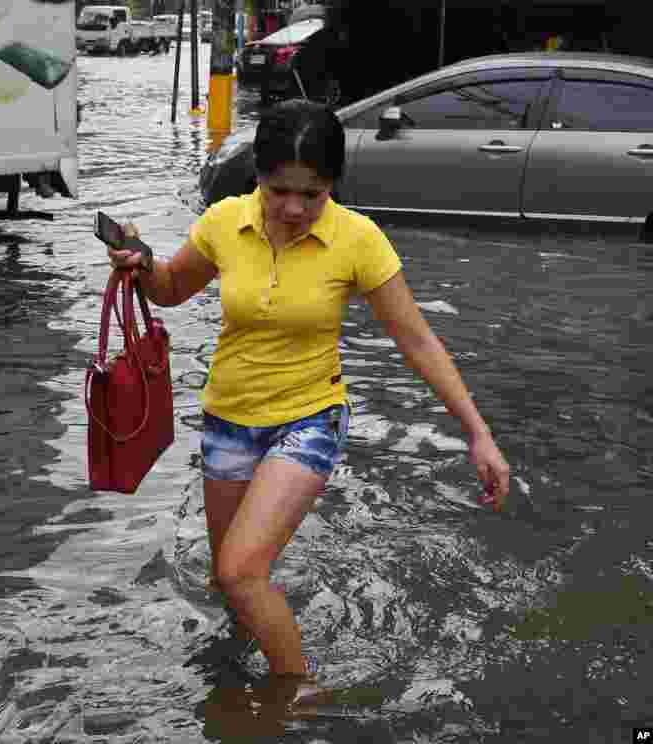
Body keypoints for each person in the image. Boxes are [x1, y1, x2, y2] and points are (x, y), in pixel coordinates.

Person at [106, 100, 510, 685]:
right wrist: (142, 265)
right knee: (229, 583)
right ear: (259, 179)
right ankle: (233, 681)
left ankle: (299, 695)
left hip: (309, 417)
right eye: (279, 191)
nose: (294, 208)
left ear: (333, 185)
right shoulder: (224, 222)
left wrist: (479, 433)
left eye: (312, 193)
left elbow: (417, 342)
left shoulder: (358, 240)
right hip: (229, 419)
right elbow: (170, 289)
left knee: (242, 570)